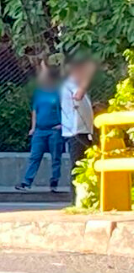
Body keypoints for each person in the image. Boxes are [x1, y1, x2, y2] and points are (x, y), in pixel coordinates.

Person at [16, 63, 64, 192]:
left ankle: (54, 182)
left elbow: (65, 108)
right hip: (40, 130)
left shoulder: (58, 92)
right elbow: (35, 111)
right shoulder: (39, 93)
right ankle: (26, 182)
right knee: (34, 156)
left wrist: (62, 124)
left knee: (56, 157)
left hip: (54, 129)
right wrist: (33, 127)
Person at [61, 54, 97, 169]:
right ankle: (76, 187)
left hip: (82, 130)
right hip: (76, 131)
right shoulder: (71, 81)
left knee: (83, 165)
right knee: (78, 166)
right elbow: (78, 96)